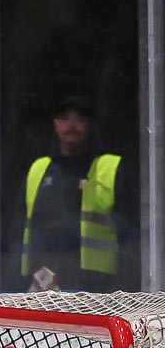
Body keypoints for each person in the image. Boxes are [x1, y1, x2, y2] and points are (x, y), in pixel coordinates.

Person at [18, 95, 139, 293]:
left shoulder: (110, 168)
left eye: (79, 119)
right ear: (55, 123)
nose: (71, 125)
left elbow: (130, 231)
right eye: (64, 118)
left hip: (98, 287)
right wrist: (19, 278)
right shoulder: (39, 169)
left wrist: (125, 284)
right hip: (43, 284)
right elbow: (19, 229)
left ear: (90, 124)